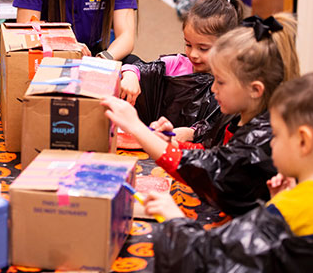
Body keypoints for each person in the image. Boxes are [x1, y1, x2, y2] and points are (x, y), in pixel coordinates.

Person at [141, 72, 313, 272]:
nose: (271, 143)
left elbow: (209, 260)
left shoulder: (286, 212)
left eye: (275, 134)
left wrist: (174, 218)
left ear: (303, 140)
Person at [102, 13, 300, 216]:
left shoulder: (263, 141)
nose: (213, 89)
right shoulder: (244, 117)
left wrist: (137, 127)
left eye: (220, 81)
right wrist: (175, 144)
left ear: (255, 90)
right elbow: (215, 154)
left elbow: (209, 170)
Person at [120, 0, 244, 105]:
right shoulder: (175, 64)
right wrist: (131, 75)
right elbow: (140, 67)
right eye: (188, 45)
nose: (193, 54)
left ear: (227, 47)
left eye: (203, 48)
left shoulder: (231, 84)